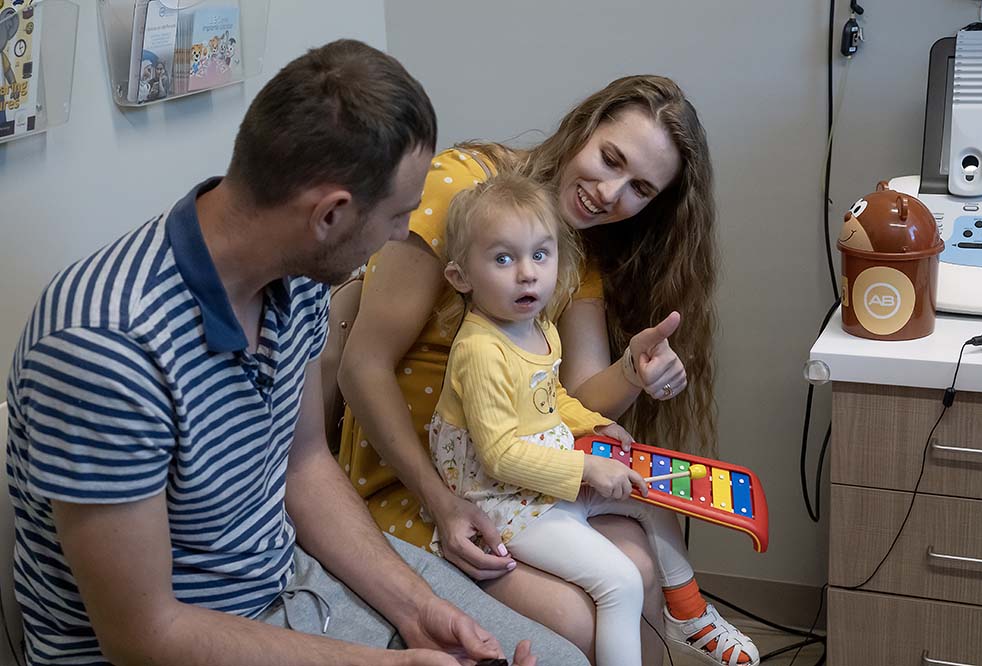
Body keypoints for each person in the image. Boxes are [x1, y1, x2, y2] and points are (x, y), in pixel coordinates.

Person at [4, 40, 587, 666]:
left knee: (560, 661)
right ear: (330, 215)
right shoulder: (105, 348)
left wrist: (415, 608)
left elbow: (304, 463)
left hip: (287, 579)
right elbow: (143, 636)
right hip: (176, 642)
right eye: (398, 215)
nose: (402, 235)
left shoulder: (298, 282)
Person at [337, 75, 738, 665]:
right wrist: (444, 505)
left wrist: (633, 370)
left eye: (639, 189)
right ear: (583, 127)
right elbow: (360, 367)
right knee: (582, 616)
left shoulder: (570, 246)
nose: (609, 193)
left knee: (641, 561)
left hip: (514, 473)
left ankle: (682, 618)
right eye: (609, 159)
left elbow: (571, 395)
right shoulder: (460, 193)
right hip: (421, 482)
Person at [425, 173, 757, 666]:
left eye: (540, 255)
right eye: (503, 258)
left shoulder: (536, 328)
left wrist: (590, 424)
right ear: (460, 278)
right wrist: (587, 470)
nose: (527, 274)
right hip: (503, 502)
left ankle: (688, 613)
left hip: (545, 476)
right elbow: (498, 457)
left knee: (654, 495)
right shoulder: (481, 351)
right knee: (620, 581)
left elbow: (550, 396)